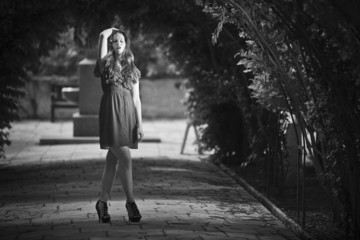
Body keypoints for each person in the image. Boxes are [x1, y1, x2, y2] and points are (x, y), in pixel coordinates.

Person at [94, 27, 143, 223]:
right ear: (111, 45)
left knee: (112, 161)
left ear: (126, 43)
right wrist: (112, 30)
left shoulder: (132, 67)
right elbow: (101, 35)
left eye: (121, 40)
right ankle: (131, 203)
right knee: (126, 158)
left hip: (128, 115)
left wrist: (139, 124)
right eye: (114, 41)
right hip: (111, 114)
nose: (118, 43)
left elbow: (137, 99)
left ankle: (102, 203)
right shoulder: (105, 62)